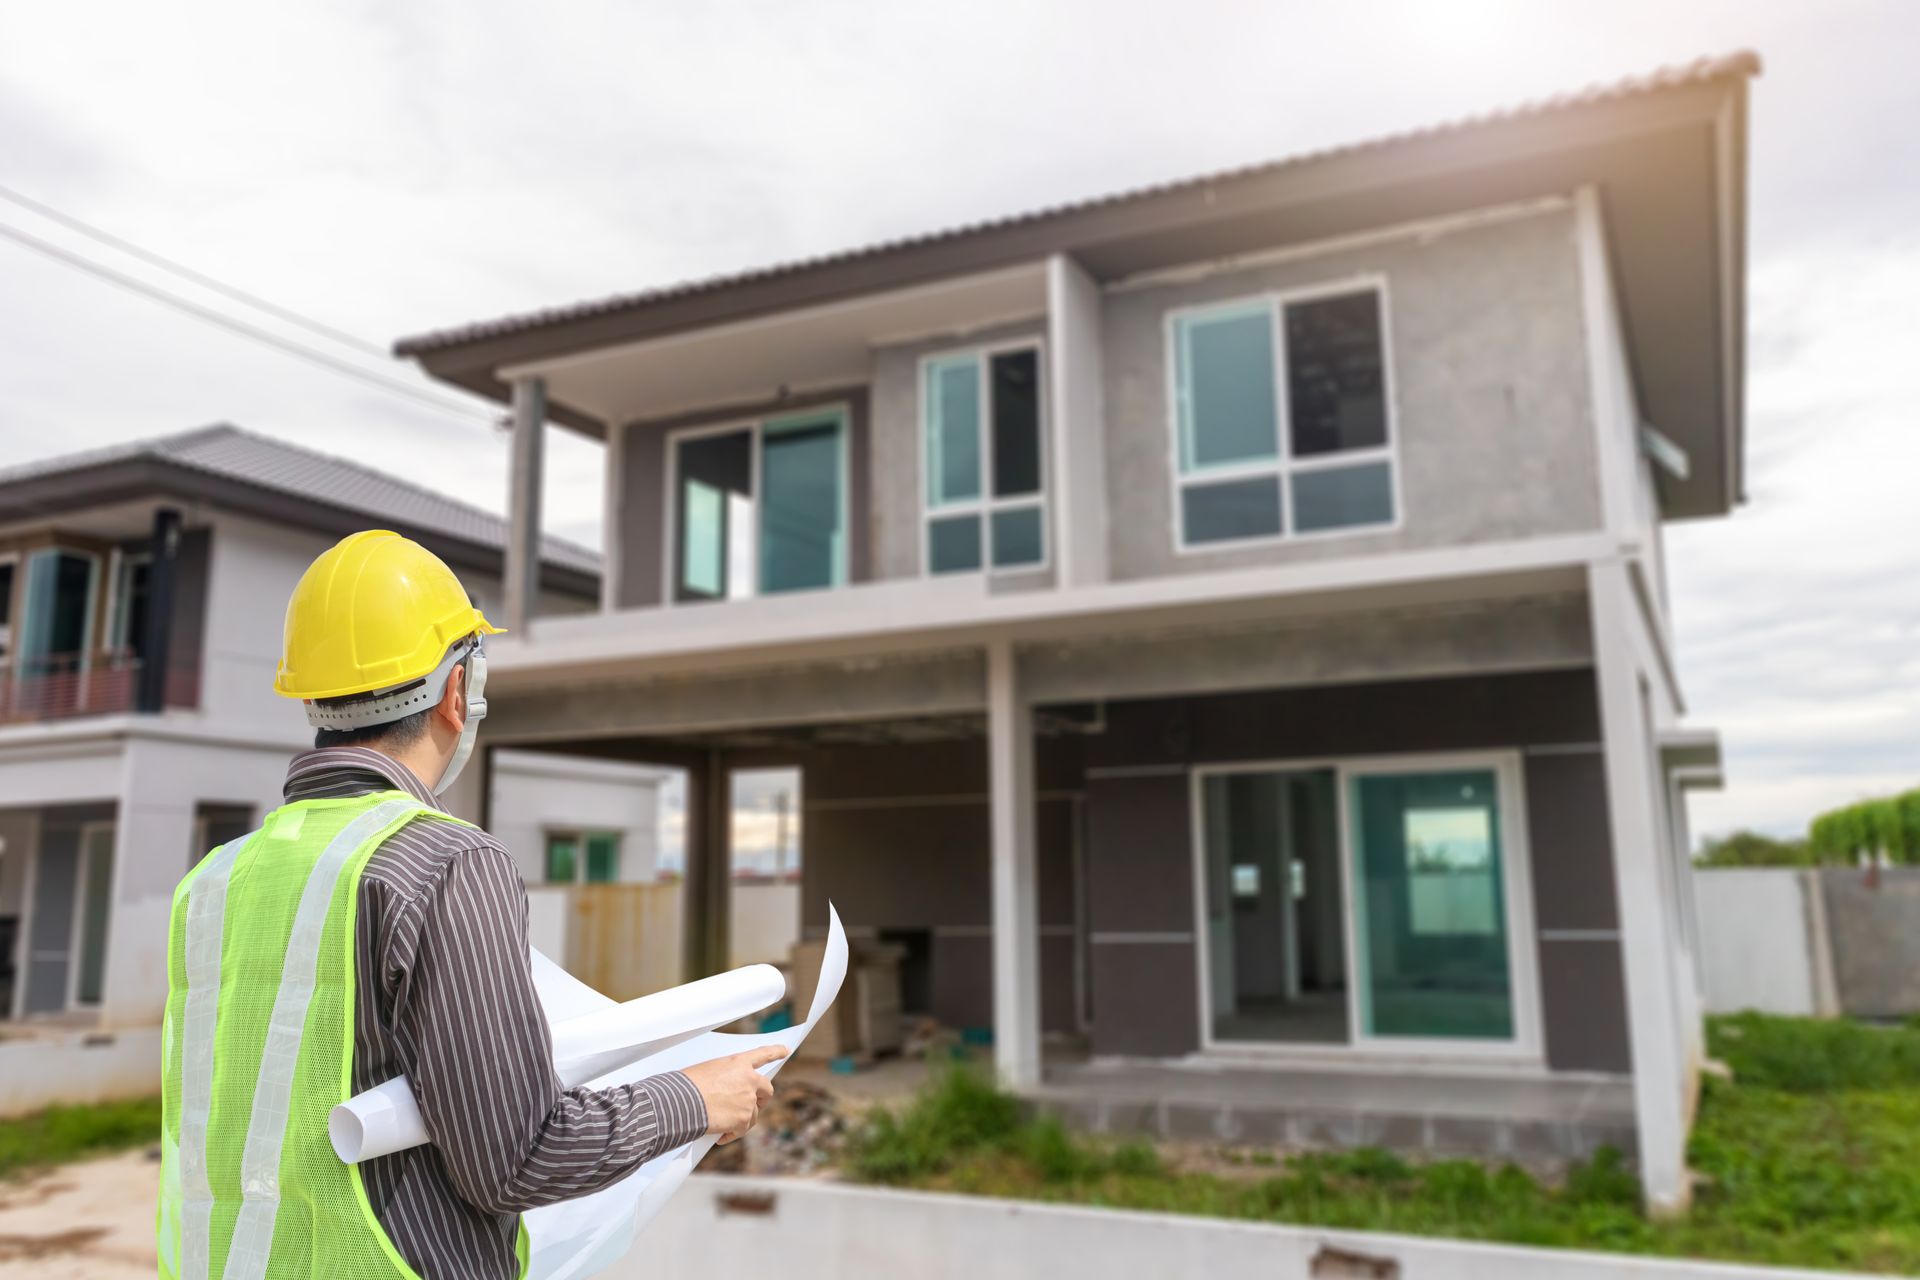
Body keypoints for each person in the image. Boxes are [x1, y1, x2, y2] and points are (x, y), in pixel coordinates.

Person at [157, 529, 783, 1280]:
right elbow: (517, 1156)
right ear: (459, 692)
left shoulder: (215, 881)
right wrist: (694, 1097)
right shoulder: (445, 863)